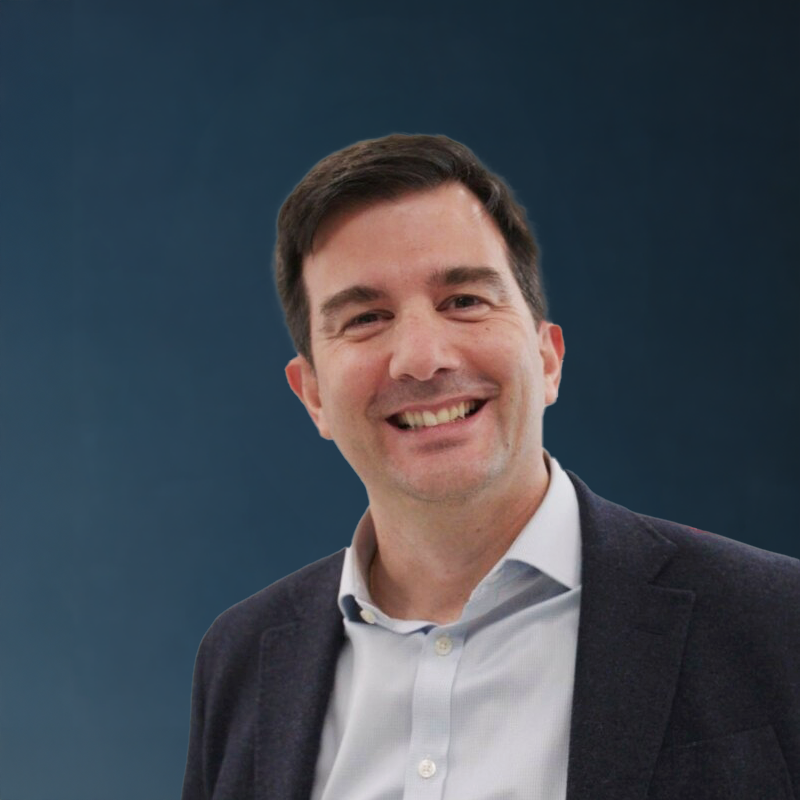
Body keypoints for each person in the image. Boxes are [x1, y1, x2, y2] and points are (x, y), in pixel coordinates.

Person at [181, 134, 800, 800]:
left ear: (549, 358)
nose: (422, 357)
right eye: (366, 317)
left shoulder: (775, 622)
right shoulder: (241, 660)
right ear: (314, 397)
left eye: (464, 301)